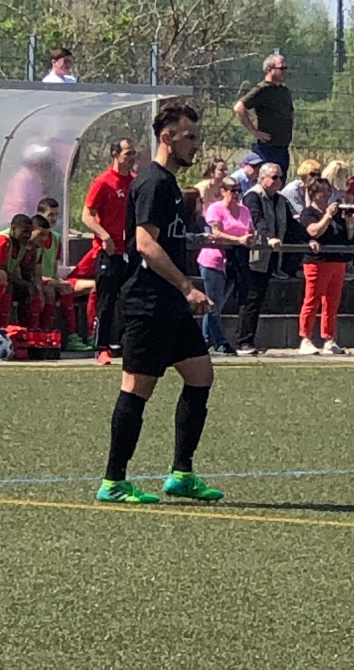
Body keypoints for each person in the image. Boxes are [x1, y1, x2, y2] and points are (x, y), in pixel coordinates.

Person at [96, 103, 224, 505]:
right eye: (189, 137)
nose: (195, 145)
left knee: (200, 375)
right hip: (148, 302)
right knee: (137, 388)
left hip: (170, 302)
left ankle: (181, 474)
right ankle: (113, 481)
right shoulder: (153, 183)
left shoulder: (168, 184)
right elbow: (146, 245)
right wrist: (188, 288)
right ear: (166, 138)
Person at [236, 162, 305, 356]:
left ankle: (249, 340)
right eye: (274, 177)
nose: (278, 181)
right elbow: (257, 220)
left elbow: (292, 226)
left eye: (280, 177)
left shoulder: (280, 200)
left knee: (257, 299)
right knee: (250, 298)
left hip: (271, 258)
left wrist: (310, 239)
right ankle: (243, 342)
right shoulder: (253, 196)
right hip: (252, 257)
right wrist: (268, 238)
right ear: (262, 177)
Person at [80, 139, 136, 365]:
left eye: (133, 154)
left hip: (129, 251)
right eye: (127, 153)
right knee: (106, 300)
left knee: (129, 299)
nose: (131, 158)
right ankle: (101, 347)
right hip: (108, 253)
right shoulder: (103, 182)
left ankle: (122, 344)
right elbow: (87, 216)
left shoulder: (134, 182)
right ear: (115, 154)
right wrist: (104, 237)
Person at [198, 176, 255, 355]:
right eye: (233, 190)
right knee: (213, 303)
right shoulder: (215, 209)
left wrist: (251, 238)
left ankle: (205, 341)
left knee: (219, 304)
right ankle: (220, 343)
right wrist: (238, 240)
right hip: (214, 260)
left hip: (234, 262)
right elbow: (215, 233)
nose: (236, 194)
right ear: (223, 191)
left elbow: (250, 230)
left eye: (239, 190)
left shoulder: (244, 210)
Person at [298, 178, 353, 356]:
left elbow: (347, 236)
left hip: (337, 261)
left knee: (332, 302)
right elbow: (314, 231)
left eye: (329, 190)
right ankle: (305, 338)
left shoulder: (336, 213)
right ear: (314, 194)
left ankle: (329, 338)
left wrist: (348, 222)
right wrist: (327, 216)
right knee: (312, 300)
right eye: (323, 191)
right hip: (317, 262)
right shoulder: (309, 213)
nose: (328, 194)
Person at [233, 54, 294, 184]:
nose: (285, 71)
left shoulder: (284, 91)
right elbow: (239, 108)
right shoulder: (262, 89)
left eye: (286, 68)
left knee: (279, 185)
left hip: (283, 148)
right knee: (265, 184)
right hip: (267, 149)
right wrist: (255, 131)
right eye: (281, 68)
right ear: (269, 69)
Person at [36, 198, 87, 351]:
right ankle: (46, 333)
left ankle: (72, 336)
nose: (54, 219)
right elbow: (34, 271)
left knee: (66, 287)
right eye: (50, 215)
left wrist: (58, 279)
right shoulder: (34, 237)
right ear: (40, 215)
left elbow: (54, 268)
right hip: (38, 281)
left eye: (56, 215)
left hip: (49, 280)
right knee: (50, 290)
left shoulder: (56, 238)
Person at [0, 214, 47, 329]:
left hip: (4, 279)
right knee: (9, 287)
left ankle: (29, 329)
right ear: (13, 229)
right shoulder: (2, 241)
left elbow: (27, 272)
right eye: (24, 231)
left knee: (31, 289)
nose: (28, 235)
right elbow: (0, 271)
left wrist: (32, 253)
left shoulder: (23, 244)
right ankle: (0, 326)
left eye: (30, 232)